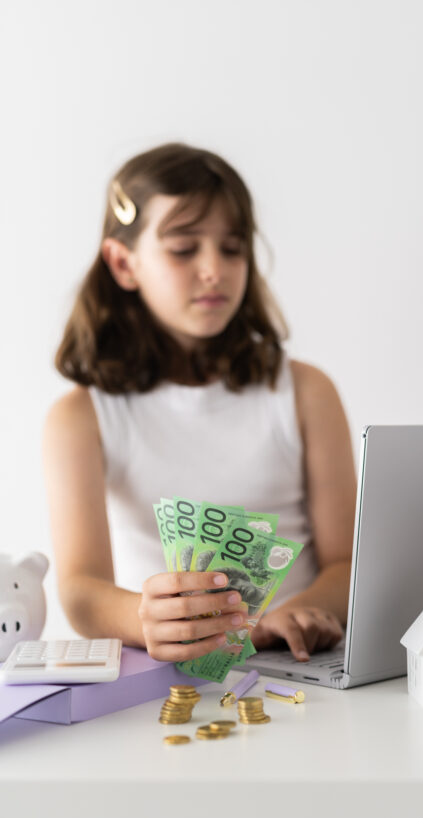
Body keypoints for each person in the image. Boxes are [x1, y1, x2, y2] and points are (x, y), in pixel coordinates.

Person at [43, 142, 357, 664]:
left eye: (232, 248)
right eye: (185, 249)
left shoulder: (306, 392)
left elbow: (347, 563)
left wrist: (292, 616)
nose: (215, 269)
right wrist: (147, 620)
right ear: (124, 263)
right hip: (169, 682)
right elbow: (81, 589)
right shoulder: (80, 418)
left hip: (302, 671)